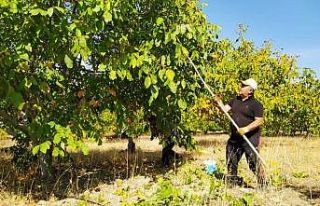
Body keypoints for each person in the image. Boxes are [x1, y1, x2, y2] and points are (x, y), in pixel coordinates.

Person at [214, 78, 266, 187]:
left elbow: (259, 120)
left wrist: (246, 129)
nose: (241, 87)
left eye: (243, 86)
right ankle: (232, 182)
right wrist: (218, 103)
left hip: (250, 138)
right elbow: (224, 110)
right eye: (241, 85)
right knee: (231, 159)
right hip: (235, 137)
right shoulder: (235, 100)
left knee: (253, 162)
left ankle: (263, 184)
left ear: (250, 91)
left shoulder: (256, 104)